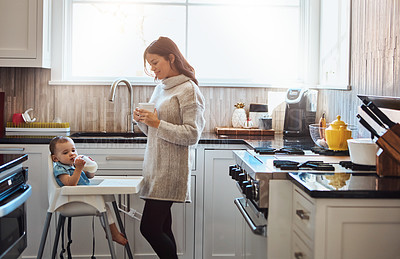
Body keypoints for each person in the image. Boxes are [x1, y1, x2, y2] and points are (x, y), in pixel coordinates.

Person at [134, 36, 205, 259]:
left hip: (171, 170)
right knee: (163, 228)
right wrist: (143, 121)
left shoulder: (188, 90)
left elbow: (192, 134)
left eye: (155, 62)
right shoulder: (161, 88)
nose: (152, 69)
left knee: (149, 228)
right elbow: (153, 131)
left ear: (171, 58)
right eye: (150, 64)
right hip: (155, 167)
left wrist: (157, 123)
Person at [49, 136, 128, 246]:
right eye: (65, 152)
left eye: (73, 150)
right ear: (55, 158)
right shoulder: (60, 168)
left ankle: (110, 232)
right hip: (72, 200)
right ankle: (113, 233)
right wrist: (78, 168)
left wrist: (89, 167)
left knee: (107, 202)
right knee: (105, 207)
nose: (72, 154)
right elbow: (70, 184)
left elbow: (89, 177)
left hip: (83, 196)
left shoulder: (74, 165)